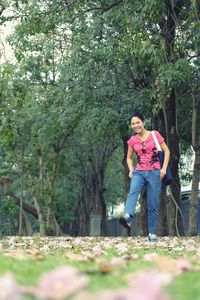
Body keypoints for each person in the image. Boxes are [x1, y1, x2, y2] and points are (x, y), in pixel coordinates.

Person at [119, 112, 170, 242]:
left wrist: (163, 168)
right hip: (139, 171)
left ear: (143, 122)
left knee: (152, 204)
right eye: (133, 124)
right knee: (133, 192)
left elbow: (167, 151)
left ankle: (152, 234)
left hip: (155, 173)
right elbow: (129, 158)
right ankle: (128, 216)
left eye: (138, 122)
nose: (136, 125)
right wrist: (131, 170)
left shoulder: (155, 135)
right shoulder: (132, 140)